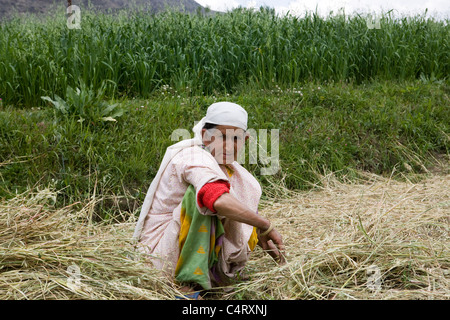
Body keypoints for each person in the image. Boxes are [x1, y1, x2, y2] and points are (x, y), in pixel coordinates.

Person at [133, 102, 285, 298]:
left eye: (236, 139)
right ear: (205, 135)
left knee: (229, 202)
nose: (229, 146)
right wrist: (265, 225)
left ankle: (210, 278)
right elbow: (217, 199)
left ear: (246, 139)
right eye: (221, 137)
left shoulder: (232, 169)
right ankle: (187, 287)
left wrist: (257, 228)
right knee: (201, 199)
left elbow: (237, 207)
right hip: (160, 256)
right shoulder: (194, 157)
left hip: (192, 257)